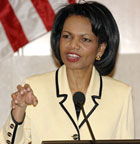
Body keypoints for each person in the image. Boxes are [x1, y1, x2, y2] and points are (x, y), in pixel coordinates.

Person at [0, 1, 134, 144]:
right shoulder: (34, 89)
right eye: (67, 36)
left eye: (85, 39)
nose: (73, 45)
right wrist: (19, 111)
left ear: (100, 48)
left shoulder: (120, 94)